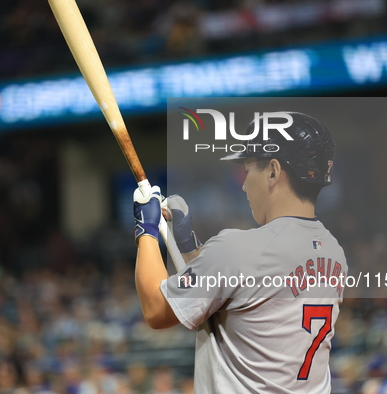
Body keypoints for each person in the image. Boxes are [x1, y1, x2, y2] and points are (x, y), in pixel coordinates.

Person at [132, 112, 347, 393]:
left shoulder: (239, 249)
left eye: (247, 170)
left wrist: (145, 229)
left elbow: (156, 309)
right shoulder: (334, 252)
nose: (244, 185)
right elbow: (237, 290)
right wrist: (188, 247)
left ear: (273, 171)